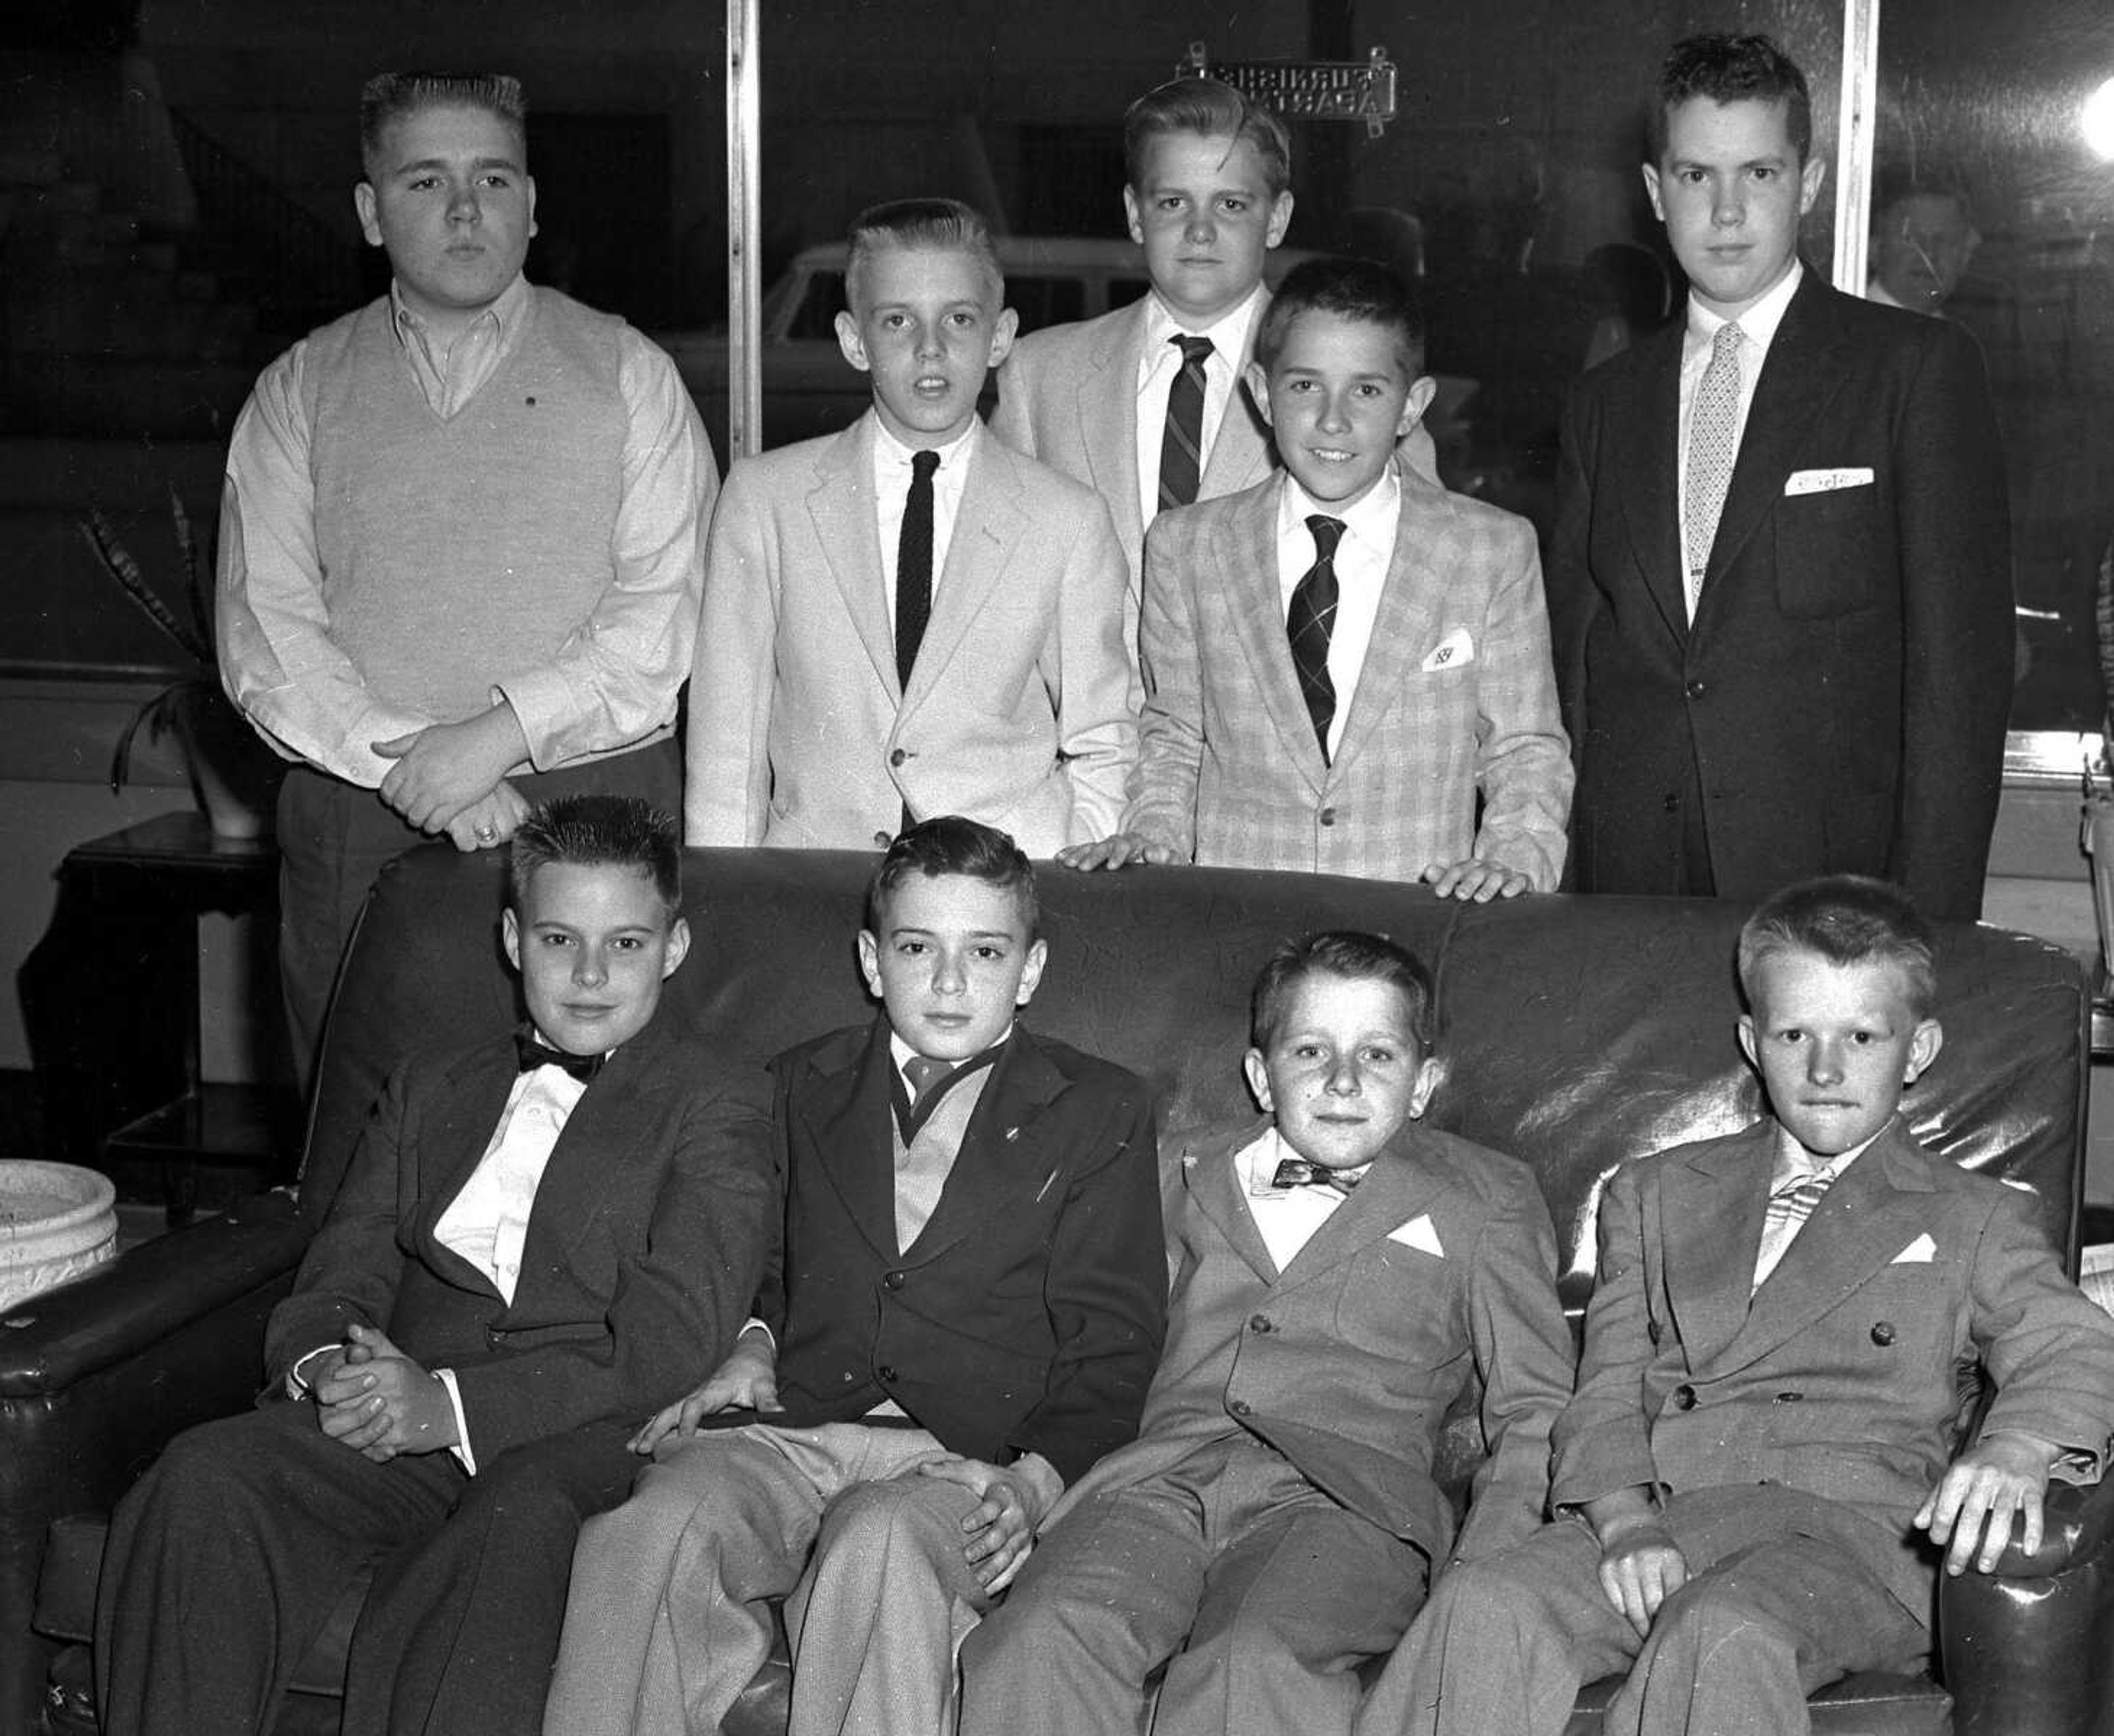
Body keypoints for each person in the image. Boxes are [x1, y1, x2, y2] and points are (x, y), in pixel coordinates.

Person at [1356, 874, 2114, 1736]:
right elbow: (1606, 1388)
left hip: (1846, 1545)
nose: (1824, 1069)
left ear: (1921, 1046)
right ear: (1753, 1041)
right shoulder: (1656, 1193)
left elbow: (2072, 1345)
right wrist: (1624, 1519)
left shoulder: (1974, 1215)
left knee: (1721, 1630)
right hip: (1674, 1513)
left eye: (1863, 1036)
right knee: (1482, 1604)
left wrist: (2020, 1442)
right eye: (1796, 1034)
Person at [95, 796, 776, 1736]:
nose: (587, 973)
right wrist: (334, 1369)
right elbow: (341, 1272)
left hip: (579, 1429)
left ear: (675, 944)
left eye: (625, 943)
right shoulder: (429, 1082)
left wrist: (448, 1407)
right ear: (510, 938)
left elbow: (668, 1342)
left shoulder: (720, 1100)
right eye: (556, 938)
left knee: (514, 1519)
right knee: (204, 1472)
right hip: (397, 1404)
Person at [543, 816, 1167, 1736]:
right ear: (873, 961)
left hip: (961, 1455)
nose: (950, 980)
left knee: (881, 1543)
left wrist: (1038, 1480)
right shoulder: (796, 1082)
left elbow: (1114, 1338)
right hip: (794, 1428)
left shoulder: (1100, 1106)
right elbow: (755, 1255)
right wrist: (748, 1344)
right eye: (918, 946)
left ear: (1030, 969)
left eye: (985, 950)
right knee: (652, 1524)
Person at [216, 72, 717, 1090]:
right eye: (424, 181)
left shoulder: (629, 372)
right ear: (369, 210)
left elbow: (667, 612)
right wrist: (420, 773)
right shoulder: (297, 390)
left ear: (532, 205)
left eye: (492, 178)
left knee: (603, 1144)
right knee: (364, 1150)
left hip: (592, 814)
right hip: (366, 815)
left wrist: (496, 738)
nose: (462, 209)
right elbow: (265, 631)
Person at [958, 930, 1576, 1736]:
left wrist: (1484, 1563)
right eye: (1311, 1050)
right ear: (1260, 1073)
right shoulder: (1168, 1167)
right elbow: (1078, 1331)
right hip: (1156, 1482)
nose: (1344, 1080)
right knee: (1039, 1637)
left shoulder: (1484, 1197)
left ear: (1424, 1084)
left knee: (1251, 1662)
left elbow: (1535, 1402)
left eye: (1379, 1056)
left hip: (1346, 1506)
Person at [1548, 34, 2012, 921]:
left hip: (1832, 895)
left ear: (1808, 183)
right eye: (1695, 177)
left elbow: (1962, 681)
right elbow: (1575, 671)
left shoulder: (1911, 369)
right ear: (1654, 192)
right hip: (1628, 890)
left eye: (1758, 174)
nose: (1726, 211)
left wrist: (1926, 929)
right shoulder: (1604, 404)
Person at [1061, 255, 1571, 895]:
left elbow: (1525, 750)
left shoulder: (1490, 549)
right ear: (1261, 391)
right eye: (1305, 386)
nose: (1333, 420)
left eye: (1366, 390)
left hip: (1415, 920)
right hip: (1241, 919)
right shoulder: (1188, 546)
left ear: (1412, 406)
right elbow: (1175, 738)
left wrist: (1513, 860)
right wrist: (1154, 835)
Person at [683, 199, 1135, 855]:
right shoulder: (765, 499)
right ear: (853, 341)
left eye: (959, 318)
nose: (931, 348)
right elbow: (728, 747)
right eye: (898, 321)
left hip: (1000, 889)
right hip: (822, 881)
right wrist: (730, 897)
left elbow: (1104, 738)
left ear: (1001, 336)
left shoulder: (1066, 518)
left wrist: (1062, 875)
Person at [988, 75, 1439, 638]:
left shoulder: (1356, 383)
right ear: (1134, 214)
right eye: (1173, 202)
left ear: (1276, 218)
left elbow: (1421, 588)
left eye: (1230, 205)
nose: (1200, 231)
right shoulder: (1040, 375)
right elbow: (994, 587)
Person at [1866, 179, 1981, 316]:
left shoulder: (1962, 334)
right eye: (1912, 238)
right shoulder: (1845, 328)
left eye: (1945, 241)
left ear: (1965, 256)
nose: (1930, 253)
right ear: (1874, 248)